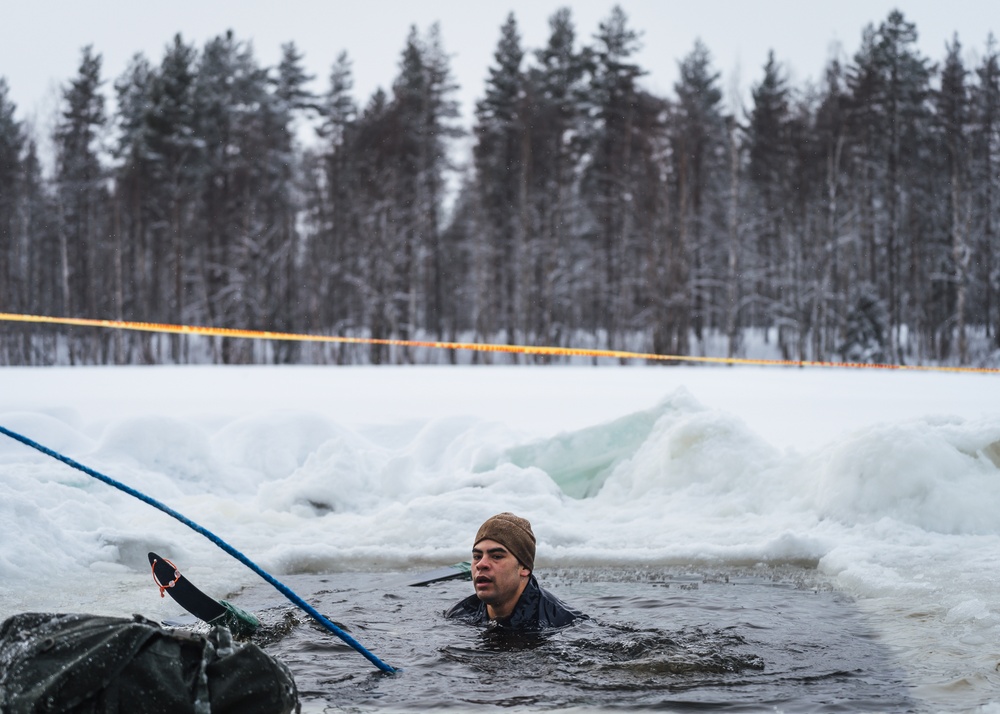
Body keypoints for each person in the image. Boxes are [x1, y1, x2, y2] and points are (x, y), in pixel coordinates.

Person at [445, 512, 585, 630]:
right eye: (477, 557)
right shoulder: (459, 615)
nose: (481, 564)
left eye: (497, 556)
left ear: (524, 568)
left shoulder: (567, 624)